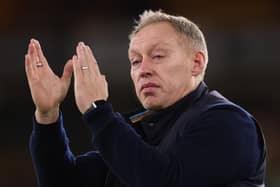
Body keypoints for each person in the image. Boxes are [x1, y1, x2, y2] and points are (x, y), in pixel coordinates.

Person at [26, 10, 266, 187]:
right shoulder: (140, 129)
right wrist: (47, 116)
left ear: (196, 63)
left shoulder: (230, 124)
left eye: (158, 56)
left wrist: (98, 111)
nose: (143, 69)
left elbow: (162, 180)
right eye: (135, 61)